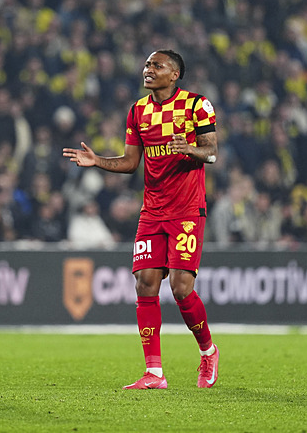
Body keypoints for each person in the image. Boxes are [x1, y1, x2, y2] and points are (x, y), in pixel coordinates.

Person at [63, 49, 220, 389]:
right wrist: (98, 161)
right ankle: (154, 373)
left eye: (156, 65)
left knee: (180, 288)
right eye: (147, 64)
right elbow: (130, 163)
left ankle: (208, 352)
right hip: (152, 211)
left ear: (174, 74)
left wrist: (189, 149)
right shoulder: (138, 111)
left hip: (188, 210)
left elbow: (211, 152)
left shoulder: (197, 105)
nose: (148, 69)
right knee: (145, 283)